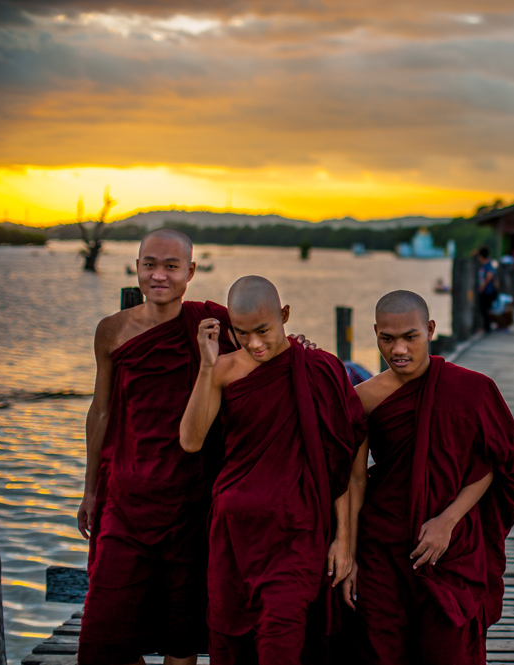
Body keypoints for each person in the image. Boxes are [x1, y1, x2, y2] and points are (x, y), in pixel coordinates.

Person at [179, 276, 366, 664]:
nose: (255, 343)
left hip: (295, 536)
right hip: (233, 537)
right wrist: (206, 367)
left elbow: (342, 462)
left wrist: (344, 541)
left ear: (285, 315)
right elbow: (190, 440)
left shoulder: (320, 368)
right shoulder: (224, 370)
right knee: (231, 646)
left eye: (263, 330)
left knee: (281, 644)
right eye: (242, 333)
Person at [77, 228, 241, 665]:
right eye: (150, 264)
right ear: (136, 267)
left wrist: (303, 350)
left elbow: (269, 342)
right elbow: (101, 412)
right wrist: (90, 490)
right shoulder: (112, 332)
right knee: (102, 638)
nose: (159, 276)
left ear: (190, 272)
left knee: (180, 642)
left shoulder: (212, 324)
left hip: (190, 504)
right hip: (125, 501)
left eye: (171, 267)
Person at [344, 290, 514, 664]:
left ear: (430, 330)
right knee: (380, 651)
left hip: (450, 548)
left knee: (448, 651)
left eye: (410, 337)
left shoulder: (472, 389)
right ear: (375, 333)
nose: (399, 350)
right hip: (383, 545)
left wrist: (449, 519)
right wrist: (348, 555)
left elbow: (495, 463)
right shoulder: (362, 398)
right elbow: (355, 481)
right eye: (387, 338)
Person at [476, 246, 497, 333]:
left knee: (484, 309)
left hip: (487, 291)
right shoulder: (486, 265)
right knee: (484, 309)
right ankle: (486, 327)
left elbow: (489, 276)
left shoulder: (487, 265)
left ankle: (487, 328)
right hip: (486, 290)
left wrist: (483, 286)